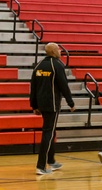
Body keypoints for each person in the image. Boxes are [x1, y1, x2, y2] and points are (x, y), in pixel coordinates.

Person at [29, 42, 75, 175]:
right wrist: (70, 102)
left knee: (51, 131)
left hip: (42, 104)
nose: (60, 52)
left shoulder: (39, 66)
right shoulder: (57, 65)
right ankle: (41, 166)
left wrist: (34, 105)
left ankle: (51, 160)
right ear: (54, 52)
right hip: (52, 105)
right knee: (48, 133)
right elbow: (63, 86)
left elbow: (33, 87)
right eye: (59, 50)